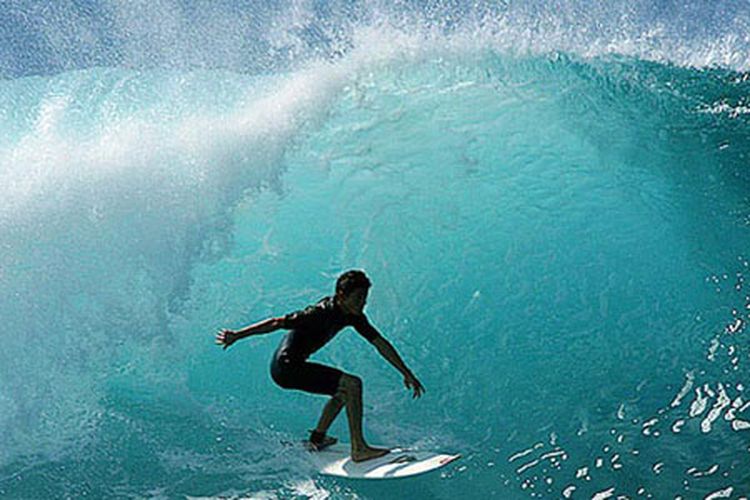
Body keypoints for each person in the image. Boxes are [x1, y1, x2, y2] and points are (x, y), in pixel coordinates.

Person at [215, 269, 425, 462]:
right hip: (286, 368)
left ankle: (317, 438)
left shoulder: (352, 315)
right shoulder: (319, 312)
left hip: (294, 365)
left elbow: (380, 343)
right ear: (342, 296)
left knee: (343, 391)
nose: (363, 304)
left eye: (365, 298)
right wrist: (237, 335)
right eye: (359, 298)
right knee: (352, 384)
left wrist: (406, 372)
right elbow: (276, 322)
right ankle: (359, 449)